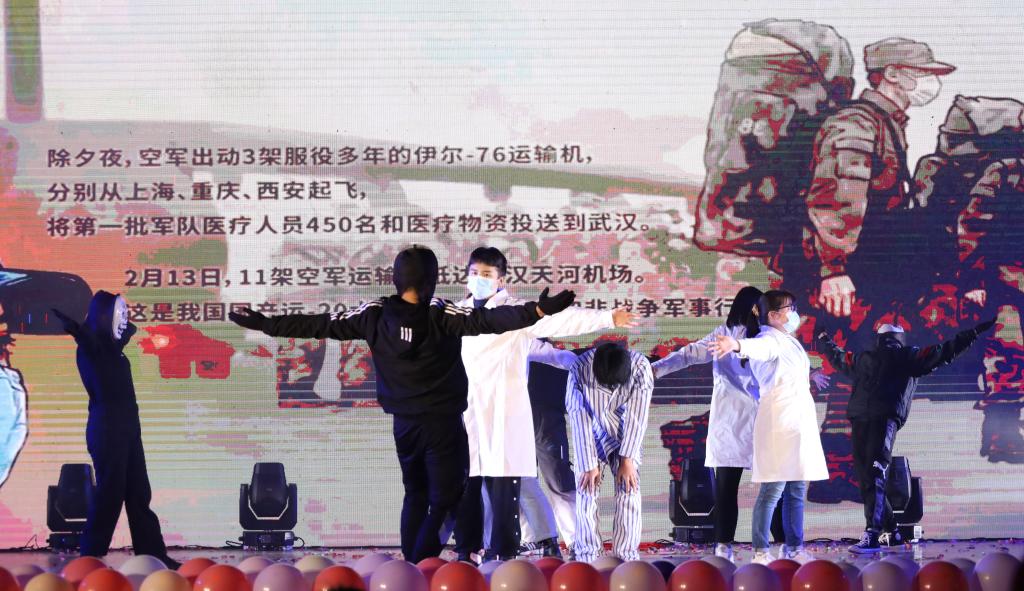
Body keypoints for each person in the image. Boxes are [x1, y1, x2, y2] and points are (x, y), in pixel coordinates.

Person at [228, 245, 575, 562]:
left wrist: (265, 324)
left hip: (404, 426)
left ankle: (416, 562)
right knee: (451, 496)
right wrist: (538, 310)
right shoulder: (441, 313)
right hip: (444, 425)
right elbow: (489, 320)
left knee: (416, 494)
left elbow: (320, 324)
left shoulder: (375, 314)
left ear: (395, 279)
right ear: (432, 281)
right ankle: (433, 560)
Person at [779, 37, 957, 503]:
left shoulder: (884, 123)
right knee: (854, 367)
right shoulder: (857, 125)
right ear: (892, 74)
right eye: (923, 74)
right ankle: (832, 474)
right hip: (847, 271)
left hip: (866, 270)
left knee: (859, 372)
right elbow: (836, 197)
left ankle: (839, 473)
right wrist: (833, 268)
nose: (929, 83)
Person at [453, 247, 635, 562]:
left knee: (505, 488)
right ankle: (468, 553)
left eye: (486, 274)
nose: (479, 280)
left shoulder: (516, 313)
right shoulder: (458, 313)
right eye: (474, 273)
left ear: (500, 280)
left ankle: (504, 555)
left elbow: (559, 320)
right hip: (467, 411)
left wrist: (607, 317)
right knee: (469, 485)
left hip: (504, 412)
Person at [817, 319, 995, 552]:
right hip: (874, 419)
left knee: (871, 476)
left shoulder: (874, 358)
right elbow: (944, 351)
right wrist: (971, 333)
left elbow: (838, 357)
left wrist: (824, 340)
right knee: (869, 478)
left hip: (870, 420)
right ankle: (892, 531)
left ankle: (873, 533)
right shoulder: (903, 357)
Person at [52, 292, 179, 569]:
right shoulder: (92, 349)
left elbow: (119, 338)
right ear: (102, 316)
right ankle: (90, 557)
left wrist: (124, 326)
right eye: (119, 314)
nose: (125, 319)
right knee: (110, 494)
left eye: (126, 313)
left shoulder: (113, 350)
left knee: (139, 493)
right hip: (108, 430)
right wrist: (78, 332)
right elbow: (90, 343)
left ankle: (153, 554)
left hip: (129, 429)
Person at [709, 290, 828, 564]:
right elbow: (758, 349)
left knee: (796, 489)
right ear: (773, 315)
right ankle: (761, 550)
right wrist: (736, 345)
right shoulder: (768, 339)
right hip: (779, 423)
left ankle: (793, 548)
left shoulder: (788, 339)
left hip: (798, 422)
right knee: (773, 489)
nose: (794, 313)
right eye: (789, 308)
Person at [652, 286, 765, 559]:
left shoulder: (765, 337)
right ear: (754, 307)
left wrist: (655, 370)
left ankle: (755, 547)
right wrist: (655, 369)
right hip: (735, 422)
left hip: (758, 421)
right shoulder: (725, 335)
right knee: (736, 490)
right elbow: (690, 353)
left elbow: (689, 354)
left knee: (762, 491)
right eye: (764, 305)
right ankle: (732, 547)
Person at [568, 342, 653, 562]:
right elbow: (578, 415)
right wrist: (588, 464)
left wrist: (627, 459)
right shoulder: (579, 369)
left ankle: (626, 556)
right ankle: (588, 555)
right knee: (586, 488)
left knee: (629, 488)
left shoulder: (641, 368)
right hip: (592, 432)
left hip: (625, 433)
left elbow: (637, 416)